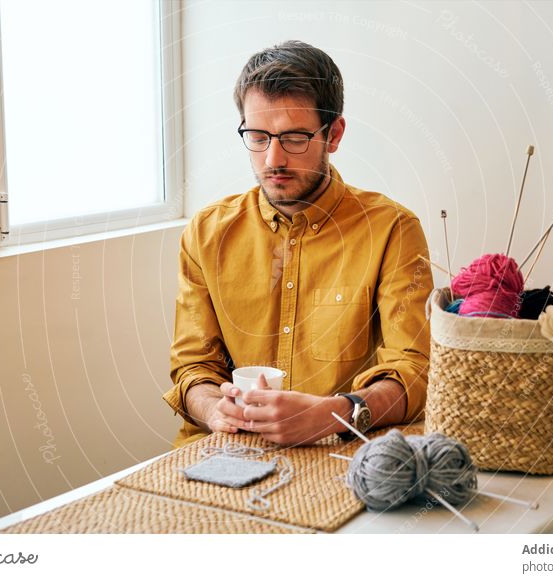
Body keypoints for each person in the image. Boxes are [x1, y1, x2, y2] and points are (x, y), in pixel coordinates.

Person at [163, 40, 433, 448]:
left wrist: (334, 413)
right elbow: (193, 367)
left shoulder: (392, 229)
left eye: (294, 137)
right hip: (219, 449)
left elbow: (415, 370)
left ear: (334, 134)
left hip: (341, 456)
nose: (273, 159)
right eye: (257, 136)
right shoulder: (206, 232)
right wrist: (213, 407)